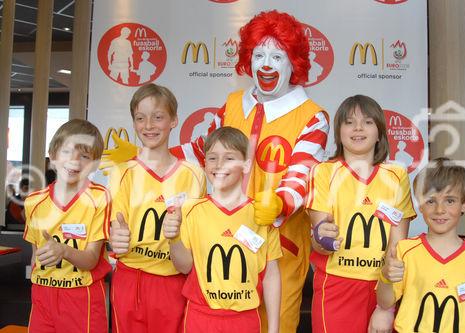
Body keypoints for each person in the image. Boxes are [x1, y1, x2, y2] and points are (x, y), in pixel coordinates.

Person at [102, 10, 328, 332]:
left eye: (277, 56)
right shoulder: (235, 103)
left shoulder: (312, 116)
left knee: (272, 322)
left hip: (278, 243)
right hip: (217, 237)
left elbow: (302, 173)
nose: (266, 64)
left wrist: (279, 203)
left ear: (294, 63)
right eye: (259, 54)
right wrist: (145, 155)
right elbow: (200, 149)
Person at [306, 95, 416, 333]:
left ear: (380, 132)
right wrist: (322, 236)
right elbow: (320, 242)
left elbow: (398, 247)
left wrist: (385, 307)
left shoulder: (396, 176)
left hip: (382, 286)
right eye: (348, 122)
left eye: (367, 122)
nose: (357, 128)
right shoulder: (324, 172)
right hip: (336, 285)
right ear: (339, 132)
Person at [163, 126, 282, 333]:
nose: (219, 165)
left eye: (229, 158)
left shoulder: (261, 215)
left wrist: (274, 329)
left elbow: (271, 275)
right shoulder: (191, 210)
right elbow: (184, 267)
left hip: (245, 320)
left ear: (246, 165)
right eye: (212, 158)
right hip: (201, 317)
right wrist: (173, 239)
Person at [109, 83, 206, 333]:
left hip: (173, 282)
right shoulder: (121, 172)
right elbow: (114, 228)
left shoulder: (194, 174)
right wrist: (115, 238)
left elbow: (196, 236)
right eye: (140, 118)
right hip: (130, 279)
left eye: (158, 117)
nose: (149, 125)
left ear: (174, 120)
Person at [376, 157, 465, 332]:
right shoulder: (405, 251)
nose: (439, 209)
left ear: (464, 204)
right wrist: (385, 277)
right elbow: (384, 301)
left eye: (450, 201)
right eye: (431, 201)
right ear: (420, 205)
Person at [23, 119, 111, 333]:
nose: (74, 161)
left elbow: (91, 259)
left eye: (85, 156)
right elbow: (36, 258)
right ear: (52, 155)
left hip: (82, 295)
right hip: (43, 294)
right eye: (67, 152)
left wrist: (63, 250)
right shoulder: (34, 201)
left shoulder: (99, 198)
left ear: (95, 164)